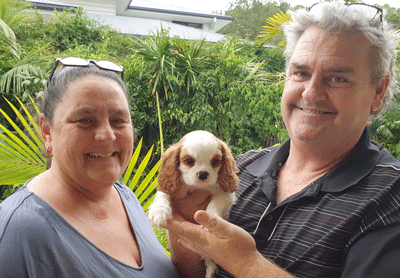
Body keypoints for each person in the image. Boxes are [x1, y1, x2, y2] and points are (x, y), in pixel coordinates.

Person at [164, 2, 400, 278]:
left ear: (377, 92)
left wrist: (248, 264)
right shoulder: (240, 169)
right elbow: (191, 274)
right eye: (301, 73)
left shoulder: (389, 197)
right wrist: (182, 226)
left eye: (337, 78)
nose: (311, 93)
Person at [0, 58, 178, 277]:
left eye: (118, 120)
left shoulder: (126, 197)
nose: (107, 134)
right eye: (85, 120)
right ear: (47, 132)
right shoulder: (21, 231)